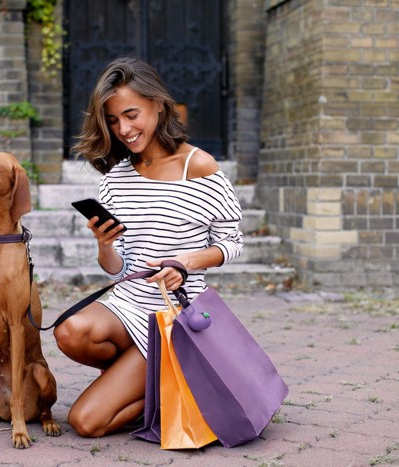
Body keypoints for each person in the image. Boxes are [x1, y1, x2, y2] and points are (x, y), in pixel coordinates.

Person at [53, 56, 244, 438]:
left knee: (85, 423)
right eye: (112, 120)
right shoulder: (118, 176)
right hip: (127, 303)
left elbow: (233, 244)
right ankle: (151, 377)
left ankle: (182, 381)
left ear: (158, 104)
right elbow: (115, 267)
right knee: (69, 331)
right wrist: (105, 245)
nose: (123, 129)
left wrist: (186, 262)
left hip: (172, 315)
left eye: (131, 114)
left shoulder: (199, 166)